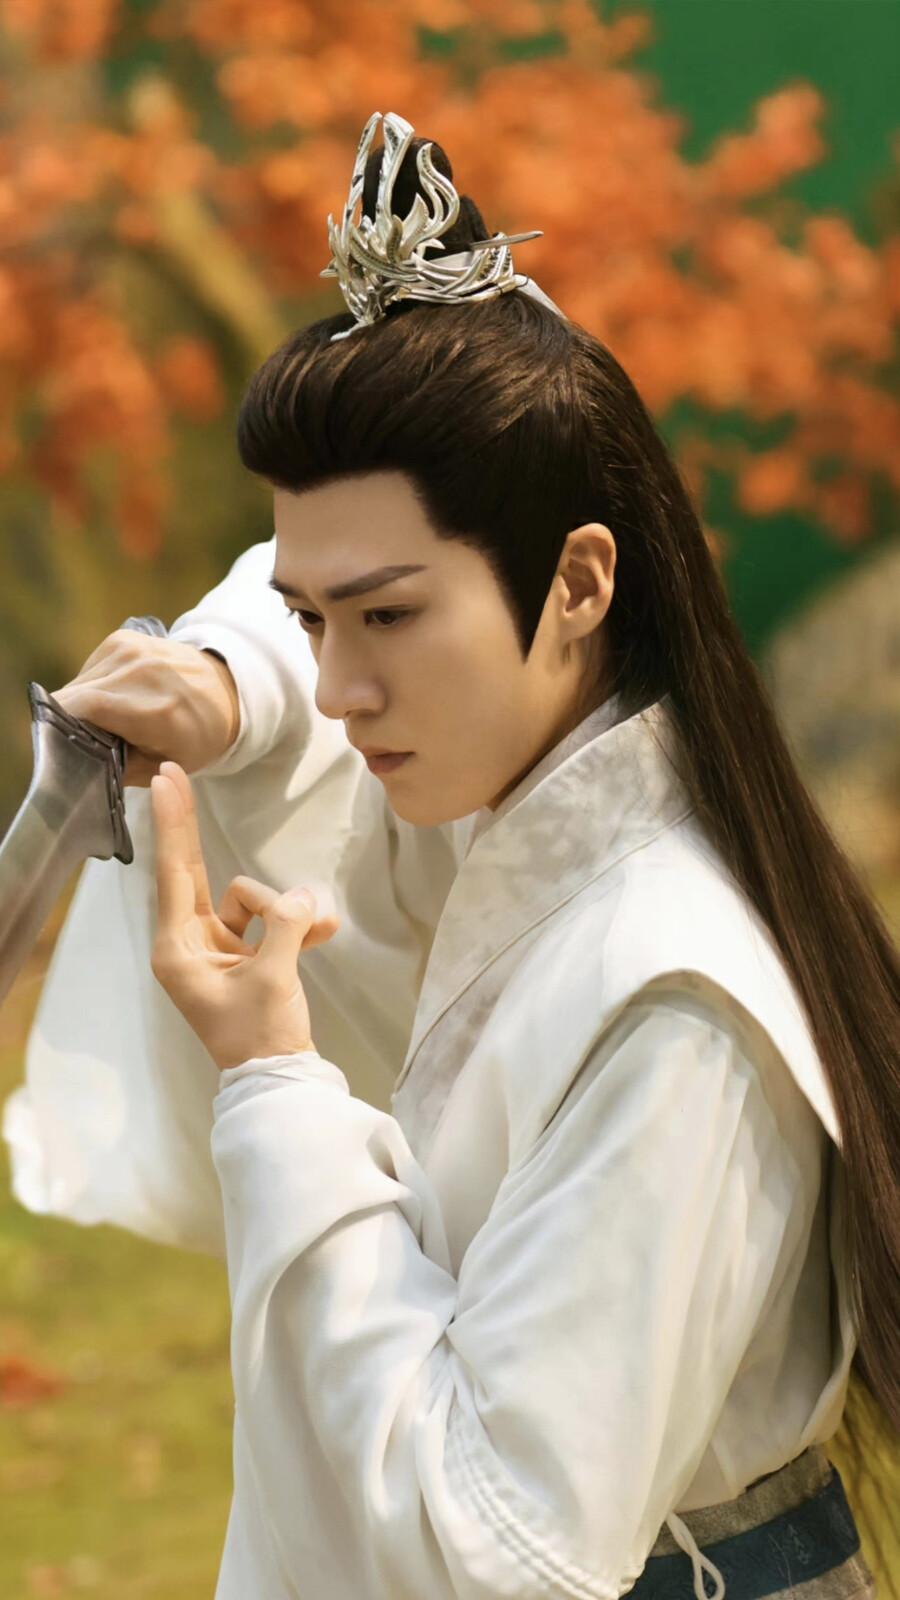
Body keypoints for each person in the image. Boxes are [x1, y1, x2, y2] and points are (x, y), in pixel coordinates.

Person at [4, 110, 897, 1599]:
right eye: (313, 625)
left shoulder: (674, 996)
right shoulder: (494, 824)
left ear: (581, 582)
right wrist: (231, 678)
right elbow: (292, 589)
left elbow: (500, 1544)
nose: (342, 687)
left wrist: (276, 1083)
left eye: (389, 618)